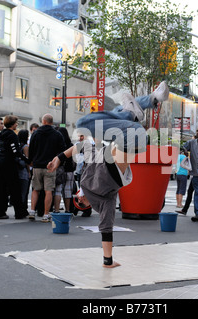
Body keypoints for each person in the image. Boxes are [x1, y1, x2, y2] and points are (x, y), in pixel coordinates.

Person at [48, 81, 169, 268]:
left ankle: (148, 102)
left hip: (114, 148)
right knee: (123, 130)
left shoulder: (85, 178)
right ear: (86, 206)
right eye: (81, 204)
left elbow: (82, 146)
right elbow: (105, 229)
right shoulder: (104, 202)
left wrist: (59, 158)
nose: (80, 200)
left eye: (77, 200)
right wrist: (108, 261)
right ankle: (131, 113)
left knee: (85, 124)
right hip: (118, 166)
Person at [28, 114, 66, 222]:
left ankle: (32, 211)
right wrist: (57, 162)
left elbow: (31, 149)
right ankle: (46, 214)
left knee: (36, 189)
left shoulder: (36, 133)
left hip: (37, 165)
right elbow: (62, 150)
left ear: (43, 121)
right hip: (50, 165)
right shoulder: (57, 134)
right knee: (48, 190)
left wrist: (31, 161)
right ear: (51, 122)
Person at [0, 115, 31, 220]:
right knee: (15, 188)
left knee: (1, 188)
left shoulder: (2, 134)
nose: (17, 124)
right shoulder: (13, 135)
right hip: (9, 164)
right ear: (12, 124)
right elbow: (16, 151)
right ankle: (20, 212)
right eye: (16, 123)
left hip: (0, 162)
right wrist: (27, 160)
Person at [53, 127, 75, 214]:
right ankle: (68, 209)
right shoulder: (71, 145)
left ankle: (56, 209)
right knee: (68, 190)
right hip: (69, 170)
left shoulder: (57, 144)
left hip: (59, 169)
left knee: (57, 190)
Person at [18, 129, 31, 217]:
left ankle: (20, 209)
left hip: (17, 170)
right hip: (24, 172)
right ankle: (22, 210)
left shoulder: (18, 145)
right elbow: (27, 161)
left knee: (19, 191)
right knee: (24, 191)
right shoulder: (25, 147)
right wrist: (29, 171)